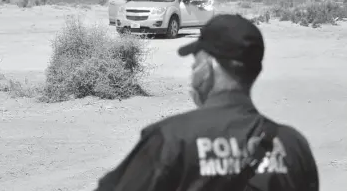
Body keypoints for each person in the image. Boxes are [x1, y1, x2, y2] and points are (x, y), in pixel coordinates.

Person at [93, 14, 319, 191]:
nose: (192, 70)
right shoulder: (292, 146)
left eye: (195, 62)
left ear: (209, 68)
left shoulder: (171, 138)